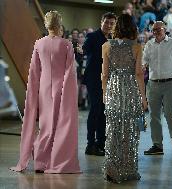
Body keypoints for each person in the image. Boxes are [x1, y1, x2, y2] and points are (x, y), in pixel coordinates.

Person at [9, 11, 80, 173]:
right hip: (61, 88)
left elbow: (34, 72)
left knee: (45, 126)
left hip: (43, 90)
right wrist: (69, 92)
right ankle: (56, 160)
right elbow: (70, 72)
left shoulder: (39, 44)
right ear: (59, 24)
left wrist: (33, 92)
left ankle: (41, 162)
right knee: (60, 126)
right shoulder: (66, 44)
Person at [101, 14, 147, 183]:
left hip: (113, 89)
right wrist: (143, 97)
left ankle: (112, 169)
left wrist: (105, 95)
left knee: (112, 129)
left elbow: (104, 74)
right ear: (132, 27)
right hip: (130, 89)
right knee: (129, 130)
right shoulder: (136, 47)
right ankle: (128, 169)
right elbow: (139, 74)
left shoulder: (106, 46)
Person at [143, 21, 172, 155]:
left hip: (170, 83)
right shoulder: (149, 44)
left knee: (169, 113)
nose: (156, 32)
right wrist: (141, 66)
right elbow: (144, 62)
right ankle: (157, 145)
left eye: (159, 29)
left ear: (165, 30)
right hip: (153, 84)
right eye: (153, 30)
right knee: (154, 116)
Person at [82, 12, 116, 156]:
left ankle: (101, 143)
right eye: (106, 22)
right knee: (95, 111)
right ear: (101, 21)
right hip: (94, 80)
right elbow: (83, 51)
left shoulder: (114, 39)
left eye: (112, 23)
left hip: (109, 81)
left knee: (105, 112)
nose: (108, 25)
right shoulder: (92, 36)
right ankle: (90, 144)